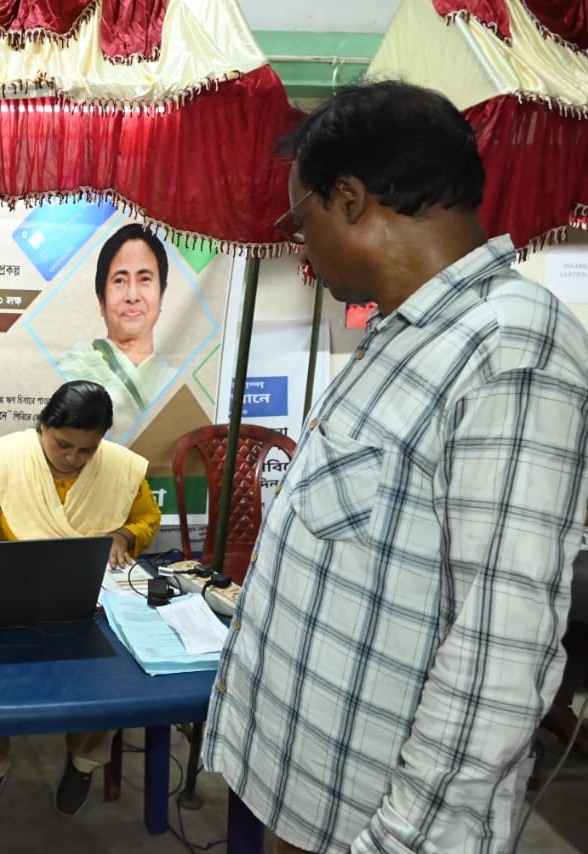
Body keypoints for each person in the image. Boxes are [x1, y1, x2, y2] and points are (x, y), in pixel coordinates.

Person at [203, 80, 588, 854]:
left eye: (299, 219)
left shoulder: (511, 348)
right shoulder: (406, 336)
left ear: (349, 200)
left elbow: (498, 655)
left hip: (376, 828)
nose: (300, 243)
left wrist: (402, 842)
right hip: (313, 795)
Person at [0, 380, 160, 837]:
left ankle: (84, 762)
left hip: (88, 593)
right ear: (42, 426)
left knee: (111, 673)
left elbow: (147, 518)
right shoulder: (5, 457)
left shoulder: (120, 467)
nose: (73, 459)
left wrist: (123, 536)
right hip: (11, 587)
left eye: (87, 450)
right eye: (63, 444)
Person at [57, 223, 175, 437]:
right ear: (101, 300)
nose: (132, 296)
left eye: (145, 279)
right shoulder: (71, 370)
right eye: (119, 280)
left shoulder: (174, 382)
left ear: (162, 294)